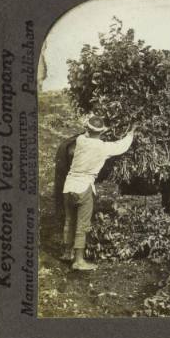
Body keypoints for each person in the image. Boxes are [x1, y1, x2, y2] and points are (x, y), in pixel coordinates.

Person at [61, 115, 135, 271]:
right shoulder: (103, 147)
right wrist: (131, 133)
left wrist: (90, 128)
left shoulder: (80, 140)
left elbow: (87, 133)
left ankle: (67, 253)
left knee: (69, 220)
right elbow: (122, 146)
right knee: (82, 225)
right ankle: (79, 261)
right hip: (84, 187)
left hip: (68, 186)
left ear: (87, 129)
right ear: (101, 132)